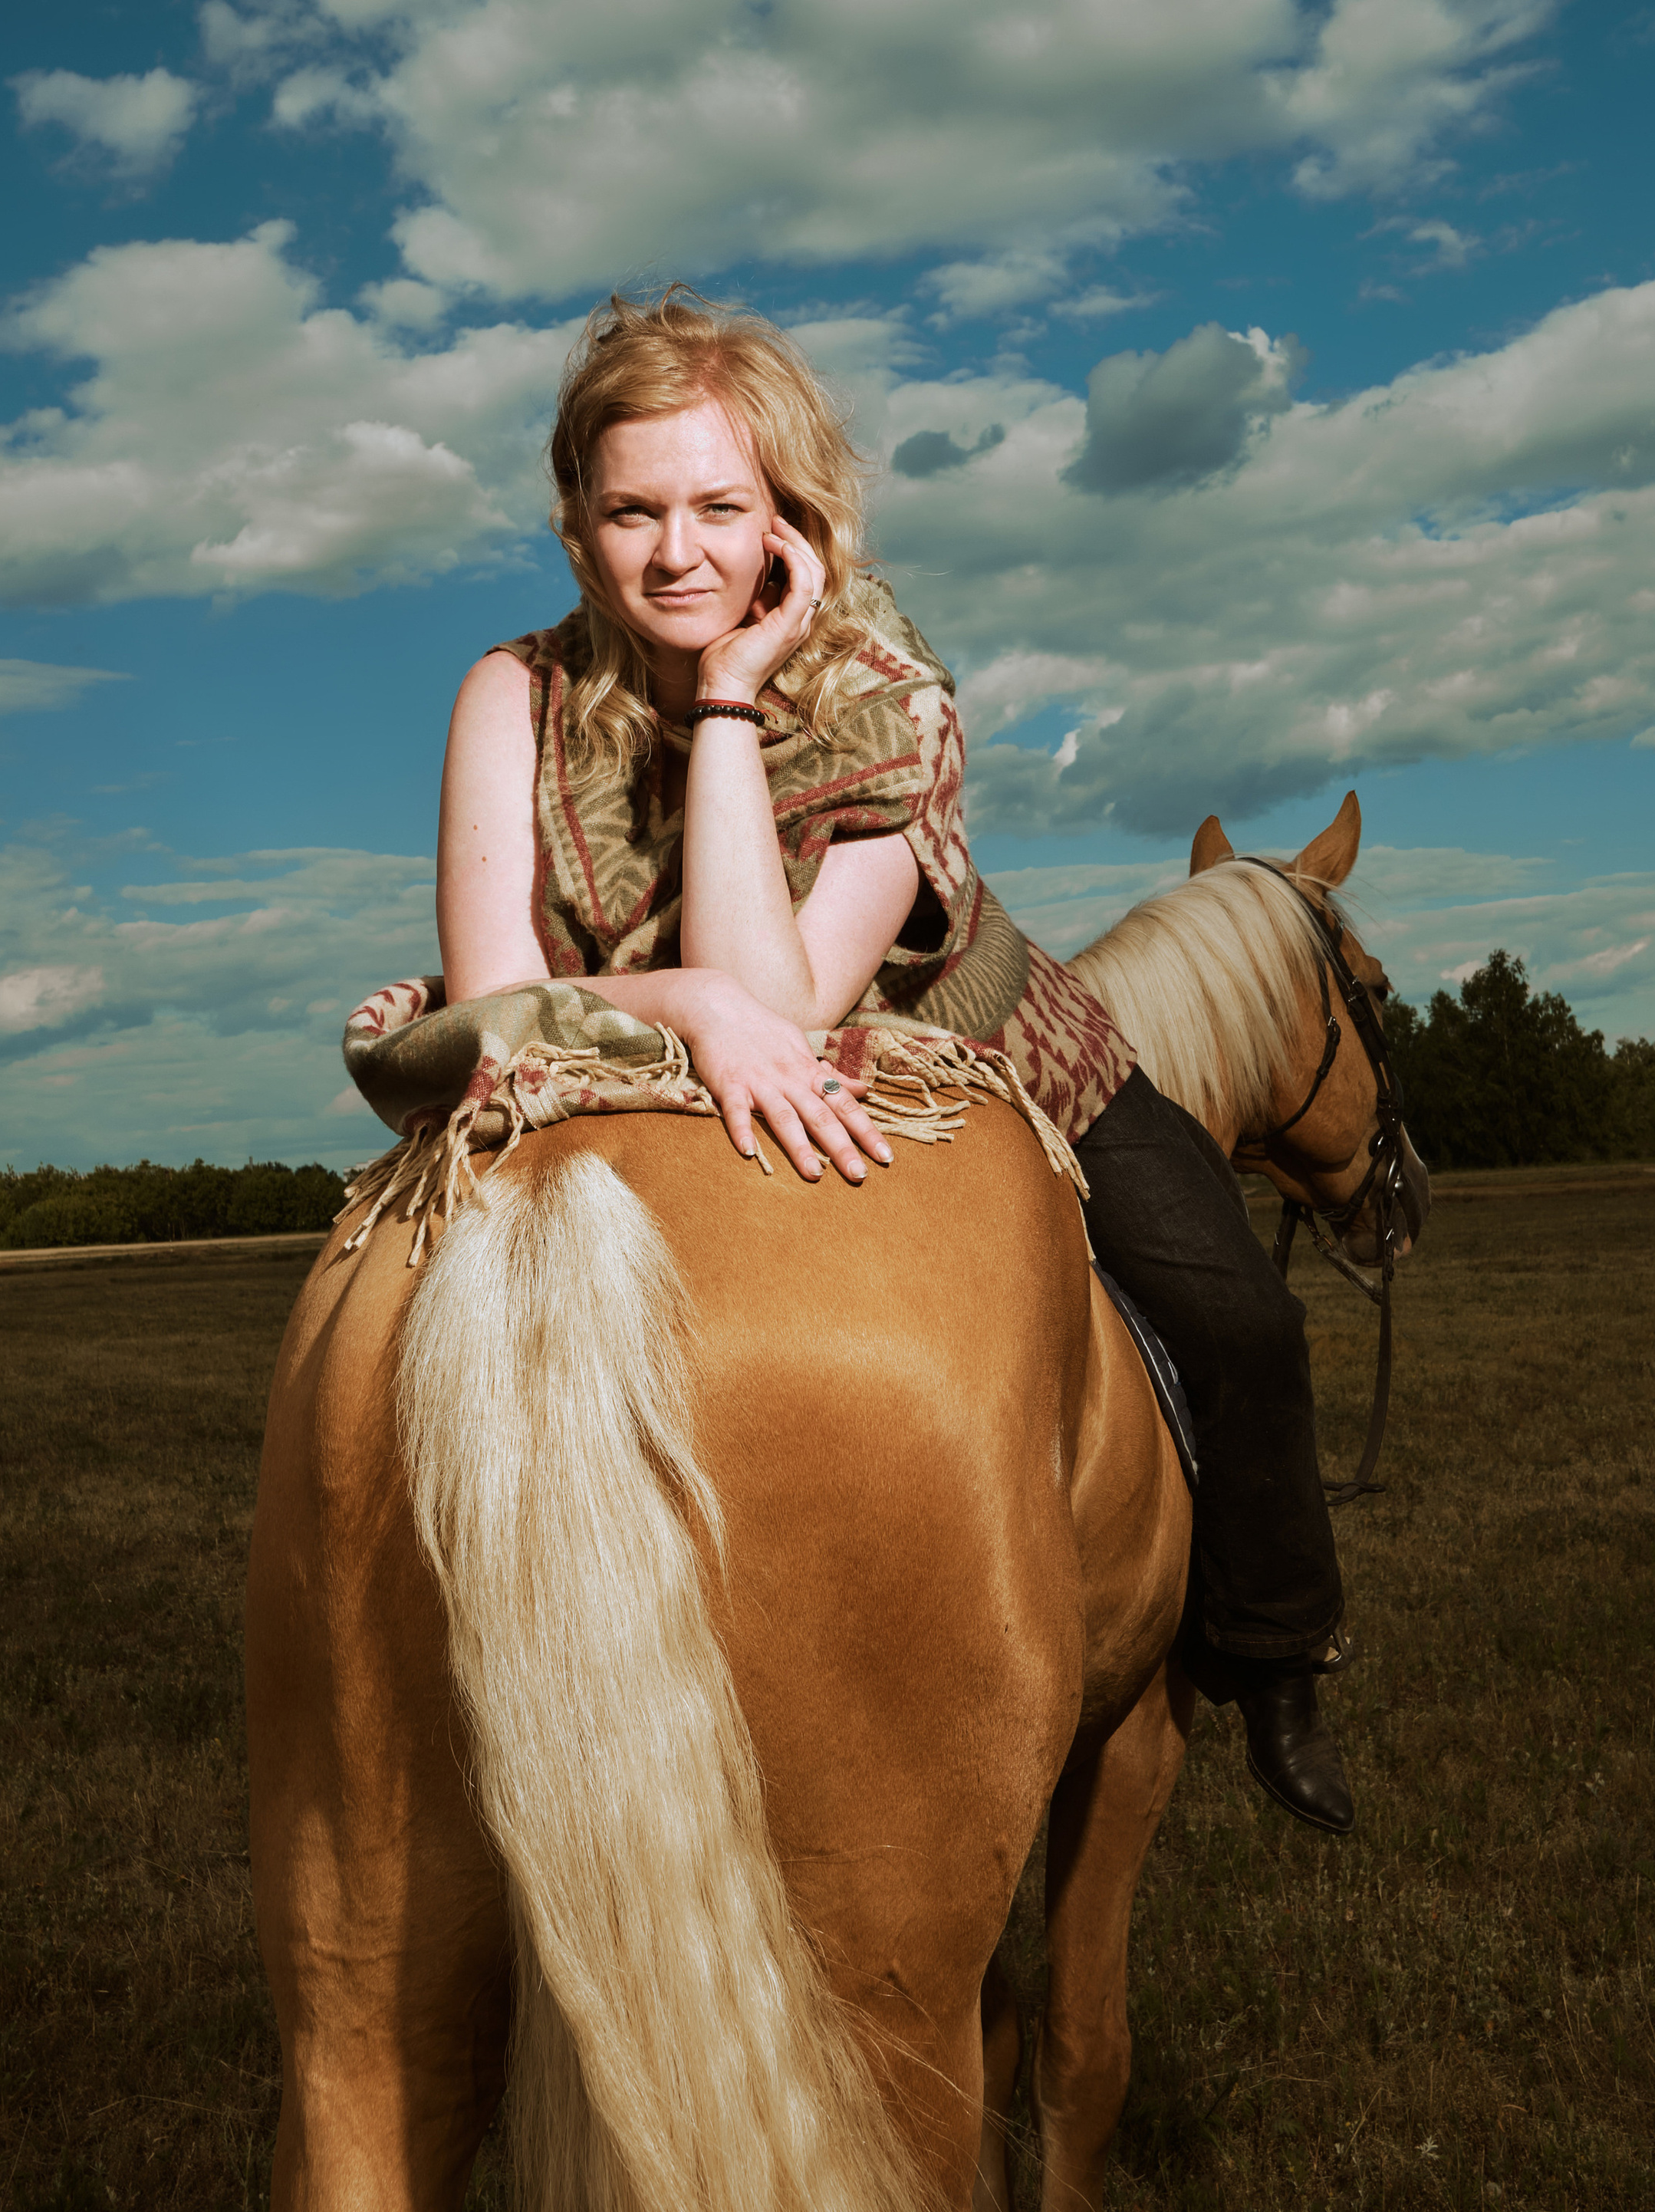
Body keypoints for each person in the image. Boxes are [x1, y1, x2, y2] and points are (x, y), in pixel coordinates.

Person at [436, 287, 1354, 1833]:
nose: (677, 554)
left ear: (789, 517)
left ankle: (1273, 1648)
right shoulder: (510, 694)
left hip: (974, 1041)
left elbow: (783, 1004)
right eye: (633, 512)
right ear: (577, 524)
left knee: (1238, 1317)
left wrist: (732, 699)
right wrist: (695, 1007)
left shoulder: (886, 689)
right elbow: (489, 1006)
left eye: (720, 508)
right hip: (644, 1077)